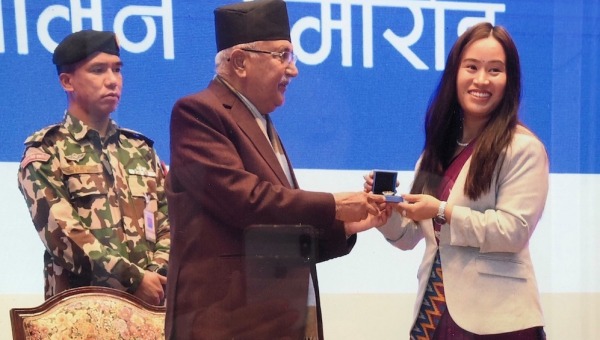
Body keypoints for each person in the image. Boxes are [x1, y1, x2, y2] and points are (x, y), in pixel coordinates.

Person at [164, 0, 387, 339]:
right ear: (240, 62)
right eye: (282, 55)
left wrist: (348, 225)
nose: (293, 69)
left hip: (275, 322)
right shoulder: (198, 114)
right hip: (226, 325)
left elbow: (272, 237)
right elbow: (245, 202)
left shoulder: (260, 122)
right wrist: (333, 205)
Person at [365, 22, 548, 339]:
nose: (481, 80)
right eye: (472, 67)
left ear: (509, 80)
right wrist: (386, 215)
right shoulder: (437, 149)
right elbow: (410, 237)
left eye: (494, 70)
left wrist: (441, 211)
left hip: (498, 323)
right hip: (436, 317)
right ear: (455, 73)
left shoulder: (523, 148)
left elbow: (513, 231)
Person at [17, 30, 170, 306]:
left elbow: (172, 223)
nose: (112, 81)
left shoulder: (140, 150)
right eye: (98, 70)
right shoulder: (46, 152)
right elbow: (64, 237)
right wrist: (134, 280)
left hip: (151, 310)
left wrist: (156, 275)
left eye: (117, 69)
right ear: (67, 81)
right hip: (82, 314)